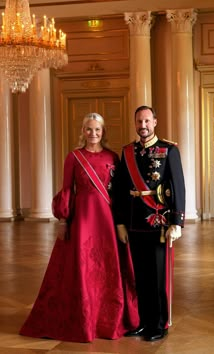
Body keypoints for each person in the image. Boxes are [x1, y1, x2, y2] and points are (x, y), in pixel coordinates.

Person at [19, 112, 139, 343]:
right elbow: (67, 190)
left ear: (103, 132)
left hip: (107, 220)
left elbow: (119, 193)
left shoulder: (113, 157)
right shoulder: (73, 157)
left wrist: (122, 222)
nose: (93, 134)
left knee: (107, 267)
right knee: (83, 268)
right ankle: (84, 320)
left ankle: (107, 321)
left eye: (97, 129)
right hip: (83, 220)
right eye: (89, 129)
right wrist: (63, 220)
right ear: (83, 131)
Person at [113, 105, 185, 342]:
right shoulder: (128, 152)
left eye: (146, 121)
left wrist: (177, 222)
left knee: (157, 277)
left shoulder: (169, 150)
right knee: (141, 276)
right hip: (134, 224)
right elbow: (121, 190)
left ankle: (159, 324)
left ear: (154, 122)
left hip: (159, 223)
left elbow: (178, 187)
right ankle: (144, 322)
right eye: (138, 122)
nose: (142, 126)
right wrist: (121, 223)